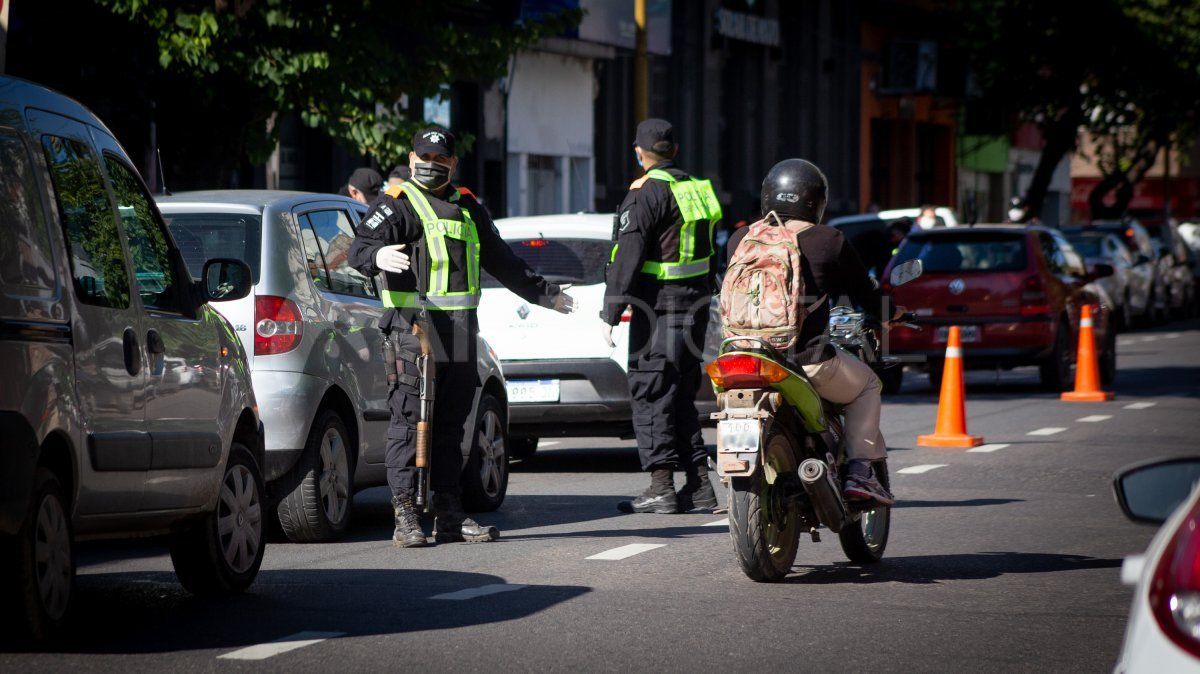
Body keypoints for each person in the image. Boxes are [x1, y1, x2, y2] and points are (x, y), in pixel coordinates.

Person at [348, 127, 576, 547]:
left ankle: (448, 511)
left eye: (439, 159)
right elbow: (358, 247)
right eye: (423, 157)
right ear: (411, 158)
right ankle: (406, 514)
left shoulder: (468, 206)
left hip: (459, 329)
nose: (430, 165)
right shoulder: (398, 203)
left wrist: (546, 294)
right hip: (413, 327)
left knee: (451, 424)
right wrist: (376, 255)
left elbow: (502, 260)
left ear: (453, 163)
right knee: (409, 421)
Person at [725, 159, 901, 505]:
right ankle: (861, 473)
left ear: (767, 197)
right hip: (805, 361)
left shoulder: (740, 239)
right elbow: (866, 295)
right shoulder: (828, 240)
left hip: (744, 355)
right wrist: (892, 314)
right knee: (868, 385)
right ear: (816, 201)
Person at [602, 118, 723, 515]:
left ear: (640, 152)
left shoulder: (647, 192)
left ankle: (661, 487)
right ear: (675, 150)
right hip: (695, 307)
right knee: (680, 395)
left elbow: (628, 257)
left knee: (651, 392)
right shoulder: (696, 189)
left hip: (658, 309)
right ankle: (700, 485)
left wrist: (610, 311)